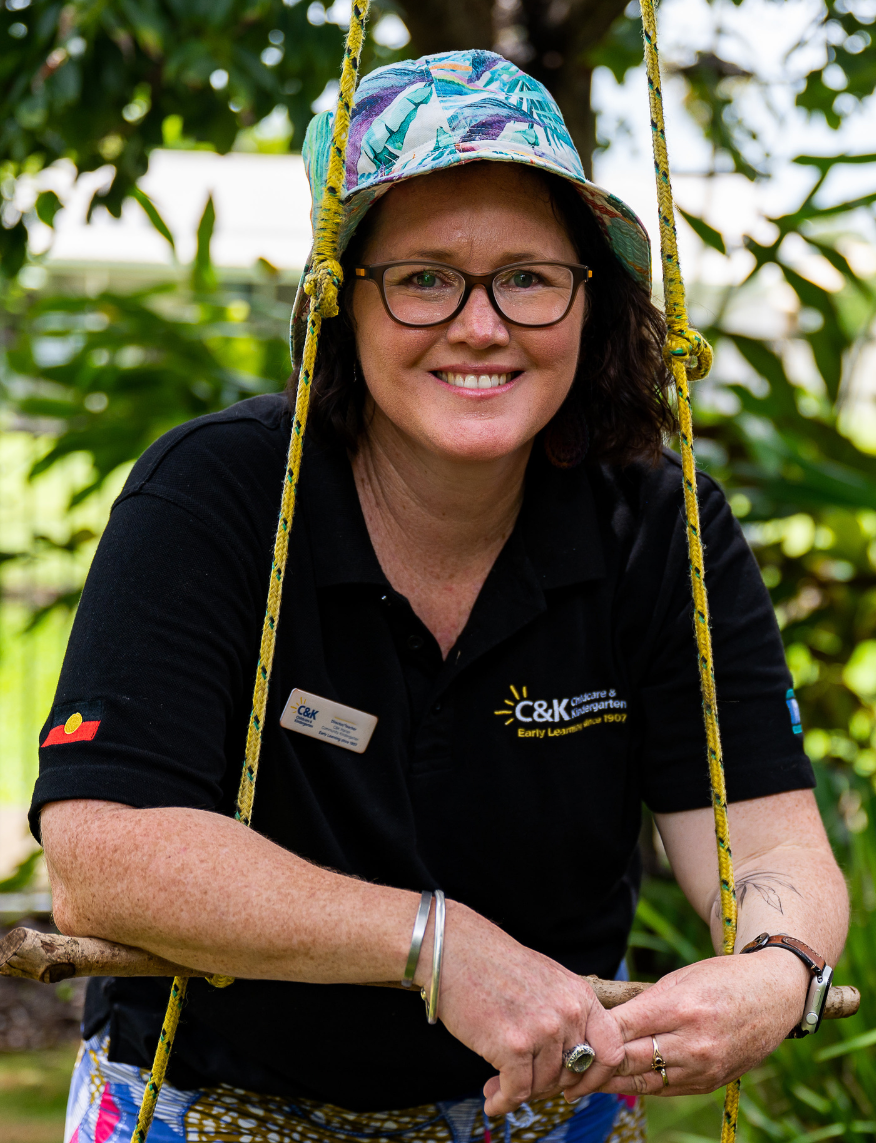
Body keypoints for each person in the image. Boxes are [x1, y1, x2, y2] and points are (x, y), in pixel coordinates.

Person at [34, 50, 847, 1143]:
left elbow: (771, 842)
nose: (480, 324)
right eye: (423, 277)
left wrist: (777, 971)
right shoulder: (221, 496)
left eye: (528, 275)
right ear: (341, 301)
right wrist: (437, 943)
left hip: (545, 1107)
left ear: (589, 300)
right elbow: (104, 854)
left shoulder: (656, 521)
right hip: (205, 1097)